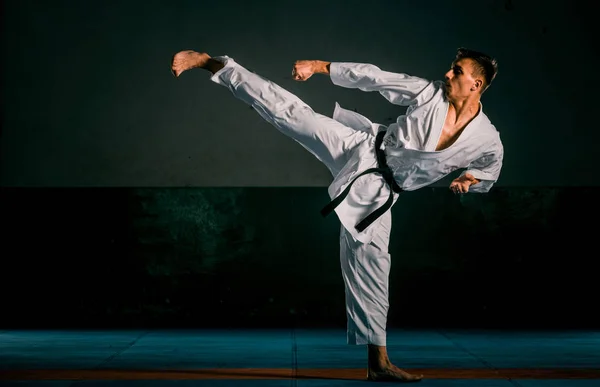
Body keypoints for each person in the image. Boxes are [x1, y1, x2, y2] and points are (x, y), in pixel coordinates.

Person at [170, 47, 503, 382]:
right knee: (289, 112)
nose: (447, 74)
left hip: (381, 192)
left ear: (476, 84)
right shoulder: (429, 93)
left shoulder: (486, 138)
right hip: (359, 147)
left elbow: (491, 165)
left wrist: (470, 178)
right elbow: (374, 77)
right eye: (450, 68)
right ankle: (211, 63)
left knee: (373, 265)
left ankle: (379, 363)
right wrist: (319, 67)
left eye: (456, 71)